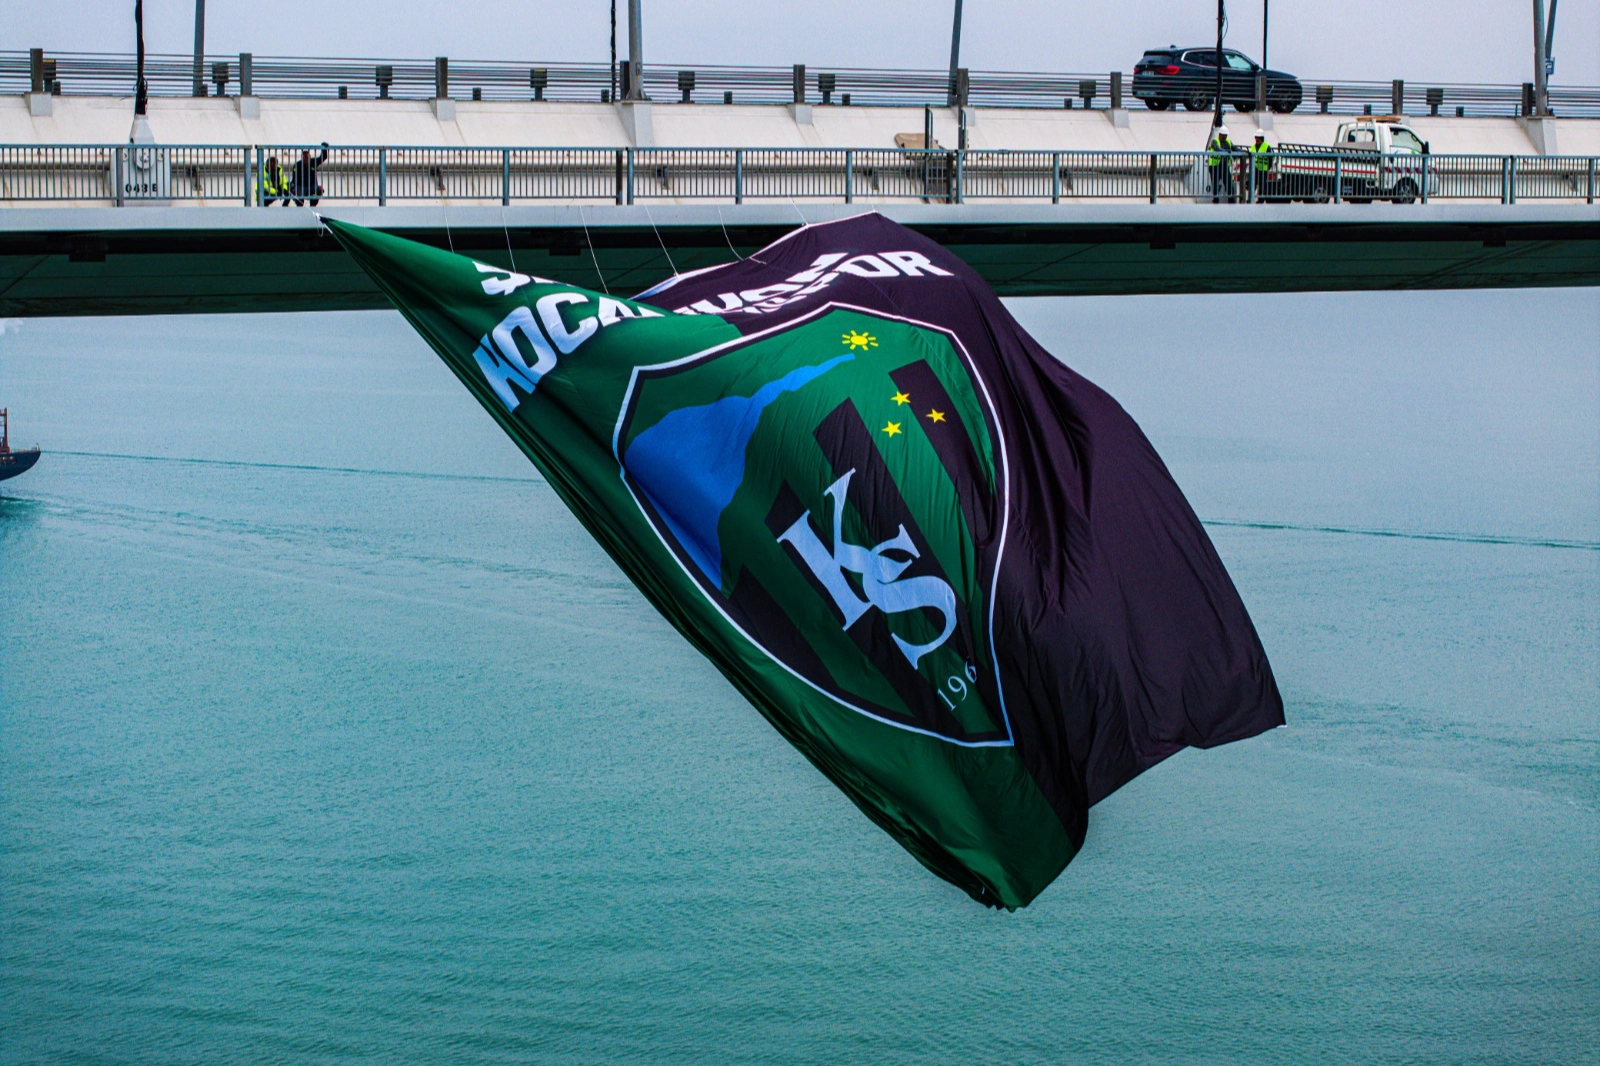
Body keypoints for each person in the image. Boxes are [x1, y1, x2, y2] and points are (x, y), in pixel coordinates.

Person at [290, 142, 329, 207]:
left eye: (307, 156)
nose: (306, 158)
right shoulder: (297, 165)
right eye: (304, 156)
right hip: (301, 186)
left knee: (319, 190)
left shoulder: (313, 162)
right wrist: (293, 187)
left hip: (312, 186)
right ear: (302, 158)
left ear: (310, 157)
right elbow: (294, 178)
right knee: (297, 193)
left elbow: (323, 157)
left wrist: (324, 149)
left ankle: (313, 205)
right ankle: (300, 207)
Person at [1206, 124, 1236, 203]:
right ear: (1220, 134)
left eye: (1226, 135)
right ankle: (1216, 199)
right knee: (1215, 182)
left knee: (1228, 182)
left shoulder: (1228, 141)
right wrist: (1226, 151)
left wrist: (1243, 151)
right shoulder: (1214, 141)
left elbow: (1234, 148)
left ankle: (1231, 198)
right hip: (1214, 166)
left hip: (1225, 165)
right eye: (1223, 135)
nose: (1224, 137)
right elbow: (1217, 148)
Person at [1245, 128, 1273, 202]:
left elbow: (1270, 159)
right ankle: (1250, 199)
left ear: (1261, 138)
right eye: (1256, 137)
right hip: (1255, 169)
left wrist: (1268, 168)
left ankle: (1261, 200)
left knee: (1262, 185)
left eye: (1258, 138)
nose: (1256, 139)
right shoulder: (1253, 146)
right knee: (1252, 184)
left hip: (1263, 169)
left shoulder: (1267, 147)